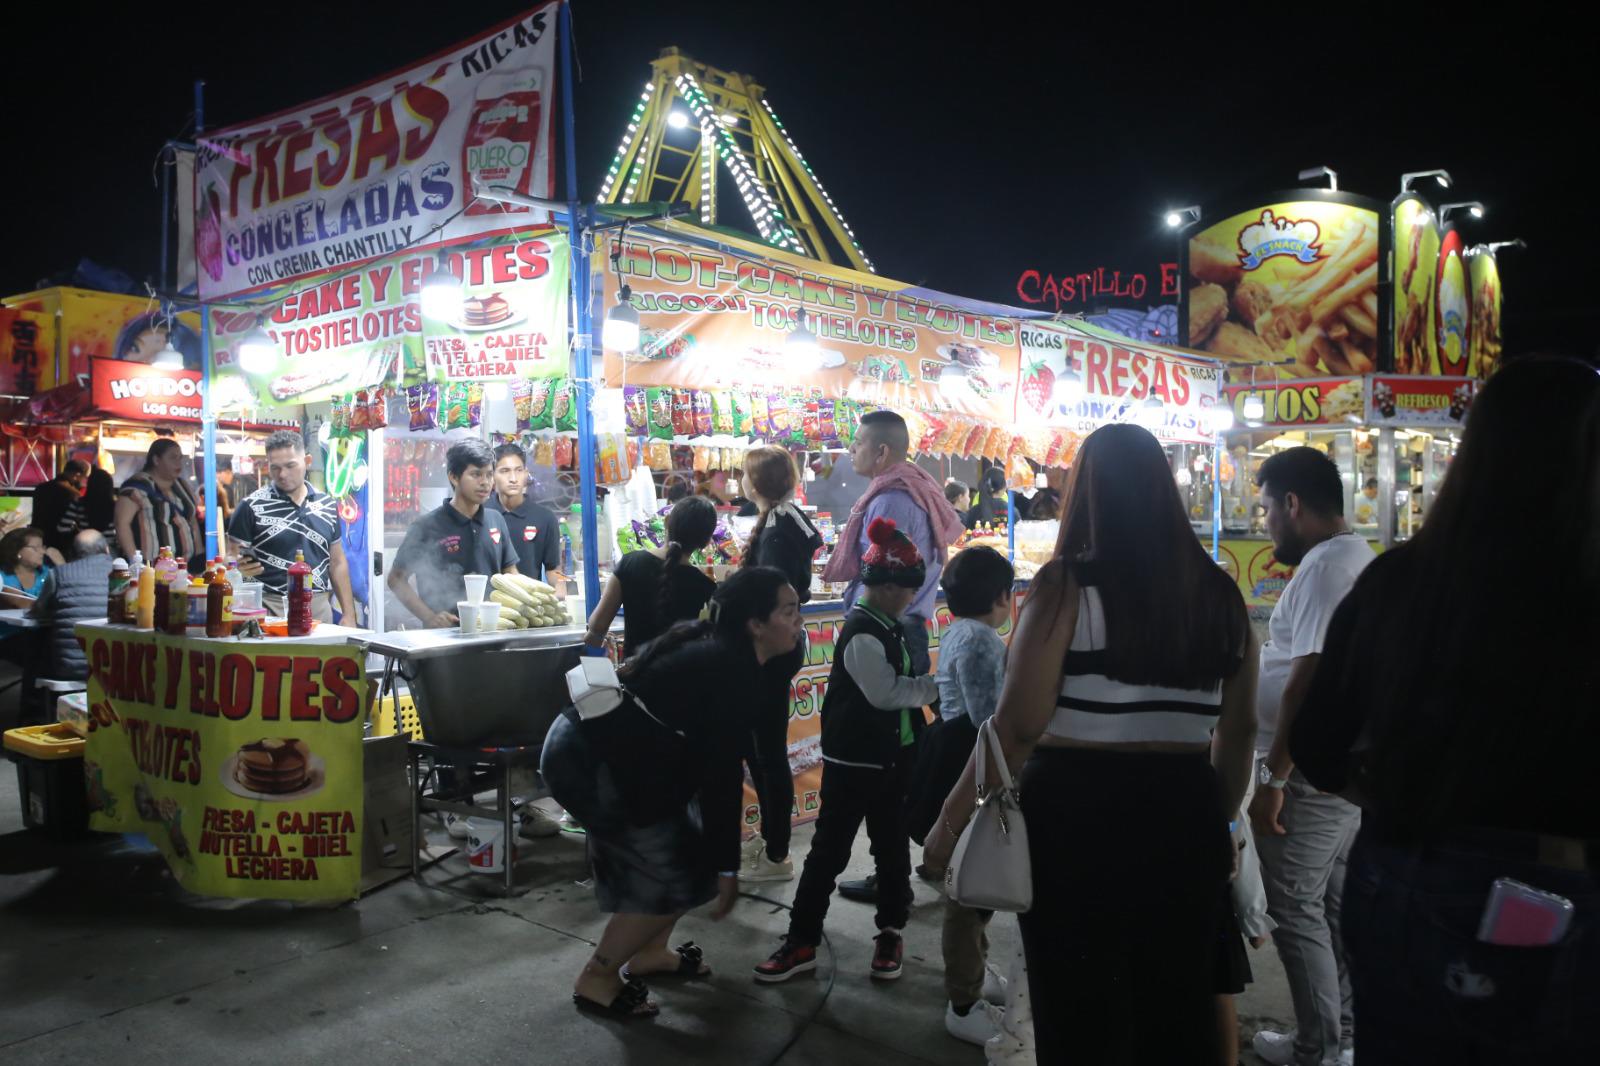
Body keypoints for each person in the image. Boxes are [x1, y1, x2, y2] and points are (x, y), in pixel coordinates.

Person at [1290, 358, 1600, 1064]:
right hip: (1564, 885)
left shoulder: (1401, 581)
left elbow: (1318, 740)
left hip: (1410, 870)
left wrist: (1404, 796)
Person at [923, 422, 1259, 1065]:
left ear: (1087, 493)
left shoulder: (1064, 590)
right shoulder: (1220, 594)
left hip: (1078, 816)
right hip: (1186, 808)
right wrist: (1220, 821)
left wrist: (947, 825)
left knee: (1079, 1007)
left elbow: (1016, 728)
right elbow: (1237, 731)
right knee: (1176, 1002)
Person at [542, 567, 804, 1019]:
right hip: (588, 759)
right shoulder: (728, 668)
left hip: (619, 752)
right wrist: (727, 867)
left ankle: (649, 952)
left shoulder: (735, 655)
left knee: (690, 859)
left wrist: (719, 859)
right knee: (674, 874)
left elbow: (709, 773)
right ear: (755, 624)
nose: (799, 621)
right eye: (789, 611)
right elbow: (721, 778)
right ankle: (597, 977)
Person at [755, 518, 939, 985]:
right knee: (828, 853)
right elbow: (885, 692)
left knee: (892, 851)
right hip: (854, 762)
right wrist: (934, 687)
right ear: (891, 587)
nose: (912, 599)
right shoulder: (863, 630)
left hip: (894, 757)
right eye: (908, 591)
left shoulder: (887, 624)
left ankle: (890, 932)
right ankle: (801, 940)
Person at [1244, 445, 1376, 1066]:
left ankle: (1320, 1049)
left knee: (1295, 910)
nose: (1265, 519)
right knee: (1327, 906)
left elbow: (1309, 680)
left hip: (1309, 778)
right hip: (1334, 774)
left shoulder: (1327, 569)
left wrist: (1274, 774)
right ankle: (1343, 1036)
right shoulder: (1350, 558)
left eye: (1267, 507)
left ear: (1293, 505)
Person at [822, 410, 963, 904]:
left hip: (894, 627)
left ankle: (892, 879)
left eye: (858, 444)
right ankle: (895, 872)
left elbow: (877, 575)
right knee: (899, 758)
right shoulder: (907, 489)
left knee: (891, 761)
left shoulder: (889, 500)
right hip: (906, 626)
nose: (852, 452)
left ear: (882, 452)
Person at [919, 544, 1014, 1046]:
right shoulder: (980, 641)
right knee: (970, 883)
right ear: (1002, 596)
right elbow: (988, 720)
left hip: (962, 755)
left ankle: (974, 971)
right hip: (971, 763)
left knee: (976, 880)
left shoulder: (961, 630)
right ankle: (963, 999)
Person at [735, 445, 824, 885]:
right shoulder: (786, 519)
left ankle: (776, 854)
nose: (740, 482)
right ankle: (772, 843)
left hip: (771, 650)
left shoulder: (776, 530)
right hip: (781, 646)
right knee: (762, 751)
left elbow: (772, 596)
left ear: (758, 482)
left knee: (767, 754)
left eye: (744, 474)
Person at [388, 439, 518, 629]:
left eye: (489, 475)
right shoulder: (426, 526)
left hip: (493, 631)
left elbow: (510, 572)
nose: (485, 483)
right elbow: (396, 579)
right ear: (454, 477)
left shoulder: (496, 520)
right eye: (476, 474)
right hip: (445, 639)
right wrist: (429, 617)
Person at [229, 430, 356, 623]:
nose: (283, 475)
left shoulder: (327, 505)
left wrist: (349, 614)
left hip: (318, 608)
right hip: (268, 608)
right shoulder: (250, 507)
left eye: (290, 466)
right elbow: (231, 561)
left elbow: (337, 562)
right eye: (275, 468)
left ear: (307, 461)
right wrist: (237, 568)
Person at [583, 496, 718, 659]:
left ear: (667, 522)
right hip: (682, 680)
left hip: (635, 679)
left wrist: (594, 637)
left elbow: (598, 626)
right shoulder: (705, 586)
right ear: (706, 542)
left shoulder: (630, 563)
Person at [28, 529, 113, 683]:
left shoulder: (58, 574)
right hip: (115, 666)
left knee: (36, 650)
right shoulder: (123, 573)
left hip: (70, 667)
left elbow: (38, 610)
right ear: (107, 549)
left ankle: (35, 706)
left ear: (74, 552)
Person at [485, 443, 567, 596]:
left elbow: (554, 569)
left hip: (528, 607)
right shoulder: (481, 515)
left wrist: (562, 590)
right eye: (504, 471)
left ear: (526, 474)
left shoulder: (545, 518)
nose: (513, 478)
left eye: (519, 470)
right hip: (488, 609)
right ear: (492, 476)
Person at [115, 439, 201, 568]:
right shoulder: (136, 487)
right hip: (152, 569)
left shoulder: (183, 486)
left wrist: (199, 556)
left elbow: (192, 521)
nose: (179, 462)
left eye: (180, 458)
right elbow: (122, 524)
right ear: (156, 460)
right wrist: (136, 563)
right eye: (173, 458)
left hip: (186, 568)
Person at [31, 460, 89, 559]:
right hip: (61, 544)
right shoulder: (73, 493)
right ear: (77, 475)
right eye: (84, 477)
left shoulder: (41, 488)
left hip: (38, 538)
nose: (84, 481)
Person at [84, 465, 117, 540]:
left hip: (84, 546)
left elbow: (63, 528)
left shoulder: (79, 504)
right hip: (109, 547)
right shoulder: (116, 506)